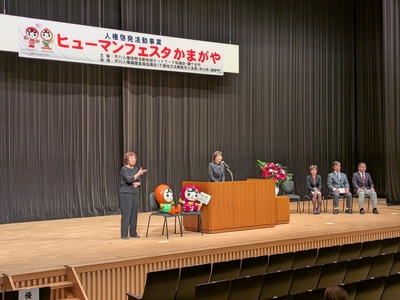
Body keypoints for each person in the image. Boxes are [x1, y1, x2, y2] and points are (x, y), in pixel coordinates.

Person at [120, 151, 147, 240]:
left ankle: (133, 233)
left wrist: (139, 183)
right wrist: (139, 173)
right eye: (131, 158)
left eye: (134, 158)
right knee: (126, 214)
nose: (133, 160)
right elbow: (129, 180)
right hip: (126, 193)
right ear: (127, 160)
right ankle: (124, 234)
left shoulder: (135, 169)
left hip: (135, 193)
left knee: (134, 214)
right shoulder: (124, 169)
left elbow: (138, 180)